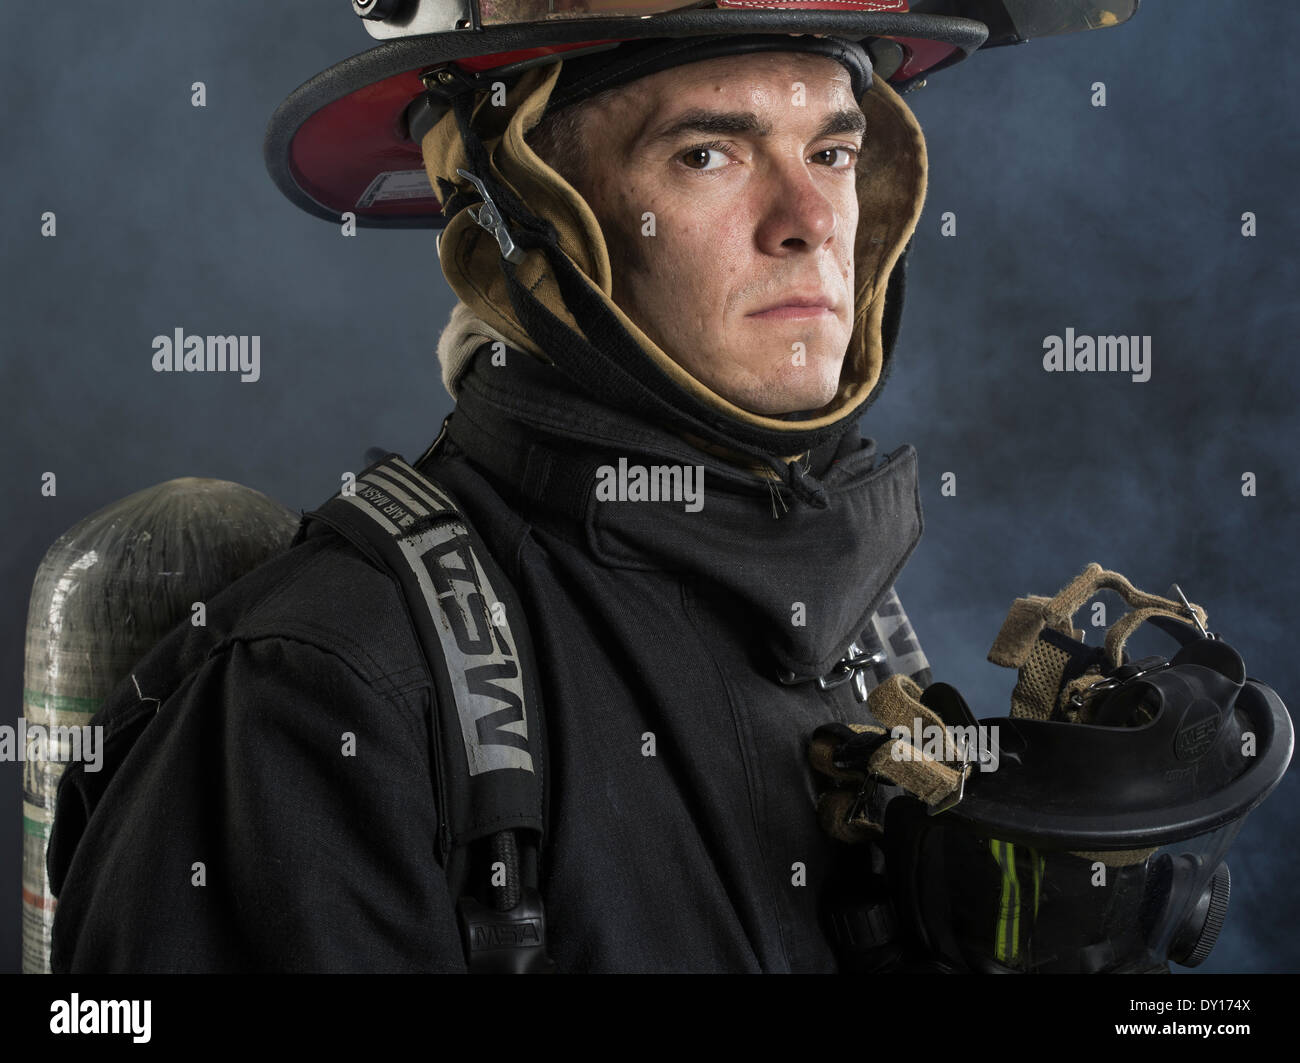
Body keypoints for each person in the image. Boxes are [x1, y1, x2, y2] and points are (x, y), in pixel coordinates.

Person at [46, 3, 1141, 973]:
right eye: (707, 154)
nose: (808, 219)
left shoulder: (851, 624)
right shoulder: (327, 699)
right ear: (521, 219)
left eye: (834, 149)